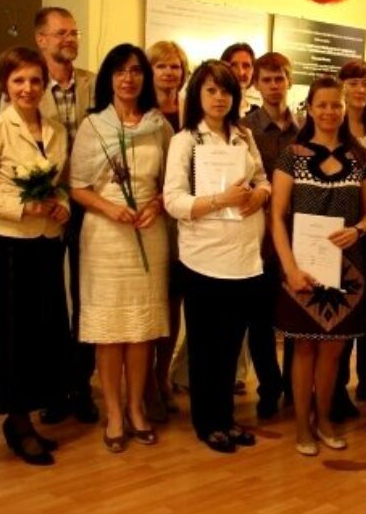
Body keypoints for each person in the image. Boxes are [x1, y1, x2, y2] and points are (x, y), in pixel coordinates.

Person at [0, 46, 72, 465]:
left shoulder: (56, 130)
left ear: (45, 85)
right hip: (5, 247)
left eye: (35, 80)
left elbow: (61, 186)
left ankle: (28, 416)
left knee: (41, 334)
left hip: (45, 244)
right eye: (19, 80)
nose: (28, 88)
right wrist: (23, 207)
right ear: (4, 85)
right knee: (11, 340)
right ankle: (18, 422)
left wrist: (62, 206)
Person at [69, 43, 172, 453]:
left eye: (135, 70)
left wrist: (157, 204)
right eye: (119, 71)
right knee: (110, 332)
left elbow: (171, 185)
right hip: (105, 236)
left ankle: (136, 407)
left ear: (144, 77)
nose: (128, 79)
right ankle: (113, 411)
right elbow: (77, 187)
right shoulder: (92, 126)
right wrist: (110, 208)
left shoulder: (159, 125)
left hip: (149, 232)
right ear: (108, 79)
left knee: (141, 330)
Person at [163, 60, 270, 453]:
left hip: (244, 257)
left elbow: (262, 179)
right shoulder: (186, 140)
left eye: (226, 91)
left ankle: (226, 417)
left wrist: (260, 194)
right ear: (197, 94)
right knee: (205, 346)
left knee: (230, 346)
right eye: (211, 90)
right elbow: (173, 201)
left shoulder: (243, 136)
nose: (219, 98)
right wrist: (220, 200)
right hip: (203, 258)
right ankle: (207, 422)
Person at [270, 76, 366, 456]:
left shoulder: (361, 158)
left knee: (333, 351)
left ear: (345, 108)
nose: (330, 111)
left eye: (336, 104)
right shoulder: (291, 155)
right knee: (303, 348)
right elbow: (276, 216)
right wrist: (290, 269)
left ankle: (325, 418)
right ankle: (302, 424)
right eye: (323, 105)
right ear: (310, 109)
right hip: (302, 267)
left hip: (346, 270)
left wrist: (359, 230)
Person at [30, 6, 99, 427]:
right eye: (61, 33)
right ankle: (52, 387)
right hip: (50, 208)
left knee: (87, 299)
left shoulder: (95, 83)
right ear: (41, 39)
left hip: (91, 206)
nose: (70, 39)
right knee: (50, 301)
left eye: (74, 32)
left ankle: (81, 386)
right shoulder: (27, 86)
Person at [241, 51, 302, 416]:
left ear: (289, 81)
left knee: (296, 311)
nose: (274, 85)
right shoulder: (243, 128)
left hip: (299, 233)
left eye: (280, 78)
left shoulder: (306, 127)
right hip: (259, 234)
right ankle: (269, 387)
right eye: (267, 80)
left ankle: (295, 386)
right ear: (256, 84)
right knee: (259, 317)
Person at [330, 59, 366, 421]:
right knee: (338, 312)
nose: (360, 89)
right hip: (334, 231)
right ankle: (334, 388)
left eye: (365, 82)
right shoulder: (330, 128)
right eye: (352, 82)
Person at [145, 39, 189, 424]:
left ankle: (163, 377)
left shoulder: (191, 109)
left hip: (185, 221)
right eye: (161, 66)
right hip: (152, 217)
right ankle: (145, 383)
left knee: (173, 303)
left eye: (175, 66)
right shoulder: (141, 112)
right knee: (152, 302)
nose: (169, 73)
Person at [221, 42, 260, 115]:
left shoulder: (258, 114)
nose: (241, 72)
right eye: (233, 65)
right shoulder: (214, 113)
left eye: (246, 65)